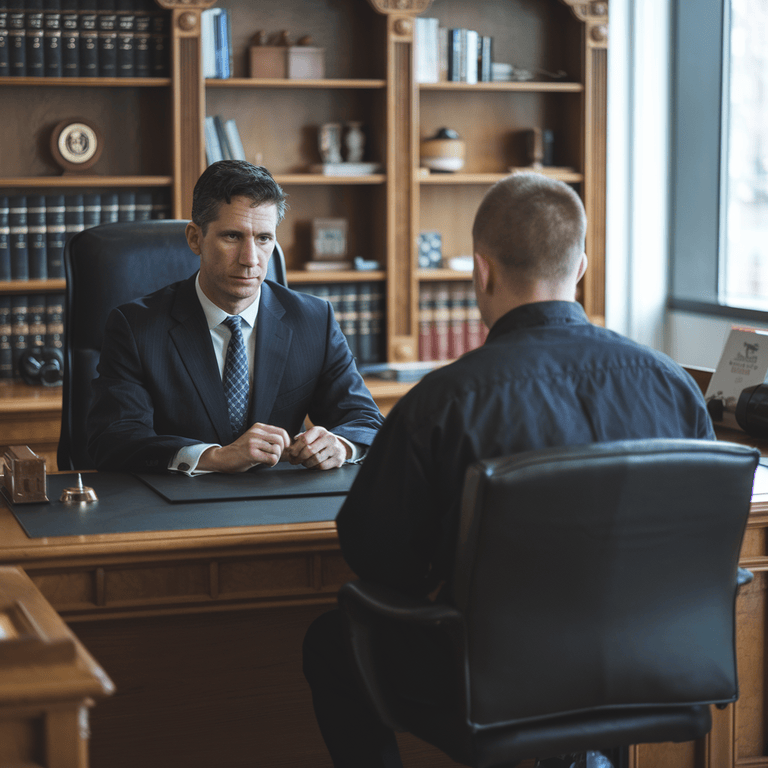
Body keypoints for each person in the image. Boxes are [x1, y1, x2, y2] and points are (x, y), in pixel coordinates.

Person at [302, 171, 716, 768]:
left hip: (494, 681)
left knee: (333, 641)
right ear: (579, 268)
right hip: (646, 665)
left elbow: (381, 564)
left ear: (480, 270)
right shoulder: (673, 386)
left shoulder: (441, 403)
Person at [86, 160, 384, 474]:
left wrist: (341, 445)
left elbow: (367, 422)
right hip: (177, 506)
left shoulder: (313, 320)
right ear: (195, 238)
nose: (250, 259)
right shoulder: (136, 327)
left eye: (264, 239)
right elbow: (112, 441)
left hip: (280, 506)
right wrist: (213, 457)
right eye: (232, 237)